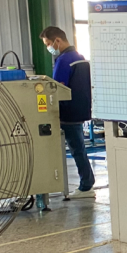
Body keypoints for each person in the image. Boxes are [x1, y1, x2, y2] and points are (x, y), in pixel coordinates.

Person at [40, 26, 95, 198]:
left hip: (68, 112)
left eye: (48, 44)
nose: (49, 48)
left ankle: (86, 186)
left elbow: (57, 88)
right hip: (81, 109)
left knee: (77, 149)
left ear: (57, 40)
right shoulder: (80, 57)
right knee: (79, 148)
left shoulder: (64, 60)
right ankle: (87, 183)